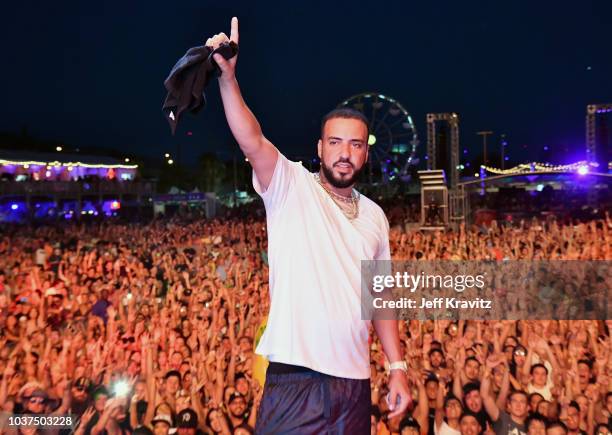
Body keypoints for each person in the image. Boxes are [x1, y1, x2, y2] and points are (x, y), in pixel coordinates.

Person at [209, 16, 410, 434]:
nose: (344, 153)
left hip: (355, 382)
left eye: (355, 144)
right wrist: (228, 79)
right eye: (335, 142)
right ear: (320, 148)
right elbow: (251, 138)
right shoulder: (290, 185)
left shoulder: (375, 215)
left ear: (365, 154)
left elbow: (381, 295)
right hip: (295, 378)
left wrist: (397, 366)